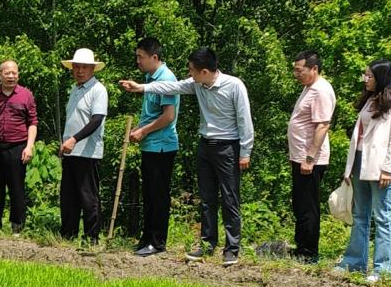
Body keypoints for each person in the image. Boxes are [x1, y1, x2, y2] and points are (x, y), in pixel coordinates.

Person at [120, 47, 253, 267]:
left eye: (191, 70)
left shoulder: (234, 85)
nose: (189, 74)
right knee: (207, 199)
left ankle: (231, 249)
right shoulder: (197, 84)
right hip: (205, 145)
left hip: (228, 147)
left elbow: (244, 120)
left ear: (204, 71)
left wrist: (245, 152)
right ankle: (208, 244)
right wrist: (141, 87)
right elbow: (171, 86)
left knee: (230, 198)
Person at [334, 59, 391, 282]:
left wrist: (388, 168)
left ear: (381, 78)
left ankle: (384, 268)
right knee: (359, 215)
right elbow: (358, 137)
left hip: (380, 166)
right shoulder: (369, 100)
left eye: (370, 76)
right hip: (359, 162)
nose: (365, 80)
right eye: (364, 75)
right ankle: (354, 262)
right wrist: (348, 169)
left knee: (383, 216)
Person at [129, 38, 179, 257]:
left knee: (158, 195)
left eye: (141, 56)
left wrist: (143, 131)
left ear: (154, 58)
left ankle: (157, 242)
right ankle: (146, 238)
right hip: (150, 146)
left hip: (162, 146)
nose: (138, 61)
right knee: (149, 193)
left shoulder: (166, 79)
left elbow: (168, 116)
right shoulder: (150, 78)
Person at [0, 59, 38, 233]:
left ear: (18, 75)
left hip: (18, 147)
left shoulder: (26, 95)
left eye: (14, 73)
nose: (11, 76)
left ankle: (17, 227)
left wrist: (30, 146)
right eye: (7, 73)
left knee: (16, 188)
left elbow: (33, 122)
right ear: (0, 75)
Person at [287, 51, 336, 263]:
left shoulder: (321, 90)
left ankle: (309, 253)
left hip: (310, 160)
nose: (295, 74)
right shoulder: (309, 88)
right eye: (295, 70)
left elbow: (323, 125)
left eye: (300, 70)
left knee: (308, 206)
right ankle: (301, 246)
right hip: (299, 157)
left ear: (314, 69)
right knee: (299, 203)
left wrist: (310, 158)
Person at [59, 48, 108, 244]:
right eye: (76, 67)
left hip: (88, 152)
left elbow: (96, 120)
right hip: (70, 151)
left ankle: (91, 238)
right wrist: (66, 142)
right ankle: (67, 234)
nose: (80, 71)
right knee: (68, 196)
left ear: (92, 69)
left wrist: (74, 139)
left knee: (88, 197)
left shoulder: (98, 90)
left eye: (84, 67)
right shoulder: (75, 89)